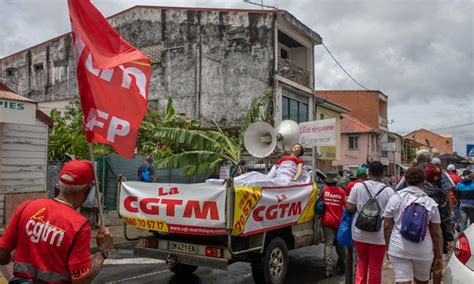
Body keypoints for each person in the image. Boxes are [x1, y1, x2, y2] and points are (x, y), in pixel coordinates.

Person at [0, 160, 113, 283]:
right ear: (88, 189)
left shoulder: (27, 206)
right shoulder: (78, 225)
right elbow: (80, 279)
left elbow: (2, 255)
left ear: (59, 184)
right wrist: (102, 252)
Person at [383, 167, 444, 284]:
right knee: (422, 281)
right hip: (423, 250)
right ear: (423, 181)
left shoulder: (395, 198)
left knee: (402, 281)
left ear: (405, 180)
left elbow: (387, 226)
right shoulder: (430, 202)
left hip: (398, 247)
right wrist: (439, 256)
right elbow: (437, 233)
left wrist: (388, 247)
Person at [346, 161, 394, 284]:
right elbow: (392, 215)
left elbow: (350, 207)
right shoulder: (389, 191)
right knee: (375, 267)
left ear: (368, 172)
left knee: (361, 262)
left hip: (359, 232)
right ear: (383, 174)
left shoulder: (358, 187)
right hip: (379, 235)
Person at [206, 143, 310, 186]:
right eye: (295, 146)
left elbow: (299, 172)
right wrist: (274, 169)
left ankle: (232, 184)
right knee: (253, 174)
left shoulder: (298, 161)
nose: (296, 148)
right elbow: (274, 169)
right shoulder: (283, 158)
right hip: (275, 176)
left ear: (300, 152)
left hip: (284, 179)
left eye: (298, 148)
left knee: (259, 181)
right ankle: (226, 181)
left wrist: (294, 180)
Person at [321, 172, 347, 277]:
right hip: (338, 222)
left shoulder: (324, 190)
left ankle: (328, 269)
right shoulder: (341, 191)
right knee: (341, 246)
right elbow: (346, 205)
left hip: (326, 221)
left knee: (328, 245)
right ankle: (344, 266)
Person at [446, 164, 462, 229]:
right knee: (455, 211)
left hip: (446, 198)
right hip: (454, 198)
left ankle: (449, 224)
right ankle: (455, 224)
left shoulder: (445, 176)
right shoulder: (458, 178)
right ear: (454, 170)